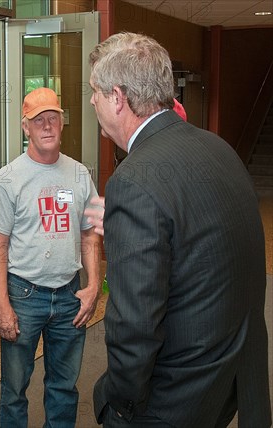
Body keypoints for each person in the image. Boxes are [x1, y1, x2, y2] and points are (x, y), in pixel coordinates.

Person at [88, 32, 271, 427]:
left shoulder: (133, 181)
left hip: (172, 399)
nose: (91, 102)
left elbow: (134, 325)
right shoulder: (218, 148)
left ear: (117, 98)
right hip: (225, 380)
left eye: (95, 93)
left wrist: (119, 403)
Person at [0, 87, 102, 427]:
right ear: (26, 127)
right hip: (24, 296)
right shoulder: (8, 180)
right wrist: (2, 306)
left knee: (64, 387)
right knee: (15, 389)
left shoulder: (80, 174)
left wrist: (93, 286)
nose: (47, 126)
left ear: (62, 123)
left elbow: (90, 233)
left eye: (53, 118)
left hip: (69, 296)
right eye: (38, 121)